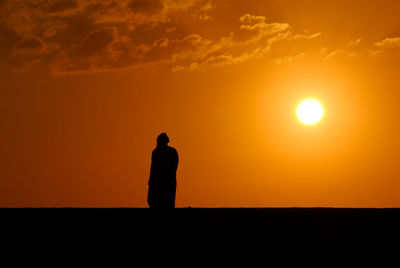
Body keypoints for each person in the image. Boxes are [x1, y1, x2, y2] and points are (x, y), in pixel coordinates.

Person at [147, 133, 179, 208]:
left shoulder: (156, 152)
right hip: (163, 181)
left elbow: (153, 168)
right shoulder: (171, 151)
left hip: (163, 181)